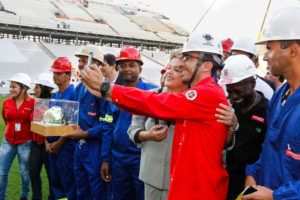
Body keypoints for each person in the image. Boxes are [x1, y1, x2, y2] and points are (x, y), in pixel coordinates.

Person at [80, 32, 233, 200]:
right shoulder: (202, 93)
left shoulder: (207, 94)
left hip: (199, 190)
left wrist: (106, 89)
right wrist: (106, 93)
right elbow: (148, 106)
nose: (183, 63)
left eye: (188, 58)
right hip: (187, 187)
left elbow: (156, 103)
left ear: (206, 66)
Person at [241, 7, 300, 200]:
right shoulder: (278, 96)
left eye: (269, 48)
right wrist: (253, 174)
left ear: (293, 50)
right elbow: (270, 148)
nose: (265, 56)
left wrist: (277, 196)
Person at [127, 50, 187, 200]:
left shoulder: (196, 102)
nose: (169, 73)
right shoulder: (150, 96)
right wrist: (147, 135)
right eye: (169, 68)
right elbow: (132, 129)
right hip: (150, 178)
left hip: (181, 181)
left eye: (177, 69)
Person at [100, 45, 157, 200]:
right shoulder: (112, 94)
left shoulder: (152, 92)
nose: (127, 69)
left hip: (142, 158)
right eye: (123, 66)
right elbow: (107, 127)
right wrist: (105, 159)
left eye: (132, 65)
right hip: (118, 159)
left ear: (140, 69)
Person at [218, 55, 268, 200]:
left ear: (252, 83)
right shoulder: (227, 107)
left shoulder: (268, 111)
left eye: (238, 91)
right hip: (225, 182)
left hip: (252, 185)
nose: (233, 96)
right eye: (229, 91)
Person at [63, 45, 109, 200]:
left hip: (96, 149)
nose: (80, 64)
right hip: (80, 147)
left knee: (96, 191)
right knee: (80, 189)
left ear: (95, 64)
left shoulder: (103, 90)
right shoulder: (78, 88)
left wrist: (85, 133)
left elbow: (108, 125)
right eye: (80, 61)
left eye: (84, 61)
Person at [45, 57, 76, 200]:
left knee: (67, 182)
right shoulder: (55, 95)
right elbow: (48, 121)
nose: (55, 76)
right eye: (54, 73)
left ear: (68, 75)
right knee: (55, 181)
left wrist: (60, 142)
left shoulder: (74, 94)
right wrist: (46, 141)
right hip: (52, 147)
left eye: (59, 73)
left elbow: (72, 124)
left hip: (66, 147)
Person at [0, 73, 34, 200]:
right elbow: (6, 119)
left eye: (14, 87)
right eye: (10, 86)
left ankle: (24, 196)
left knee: (25, 173)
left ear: (24, 88)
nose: (11, 89)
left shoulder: (33, 103)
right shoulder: (6, 102)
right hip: (8, 141)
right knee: (1, 173)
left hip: (25, 142)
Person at [30, 73, 55, 200]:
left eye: (37, 87)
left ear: (44, 88)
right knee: (33, 172)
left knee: (51, 175)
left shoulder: (54, 103)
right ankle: (36, 197)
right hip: (35, 143)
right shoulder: (36, 102)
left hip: (48, 144)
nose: (34, 90)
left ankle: (52, 197)